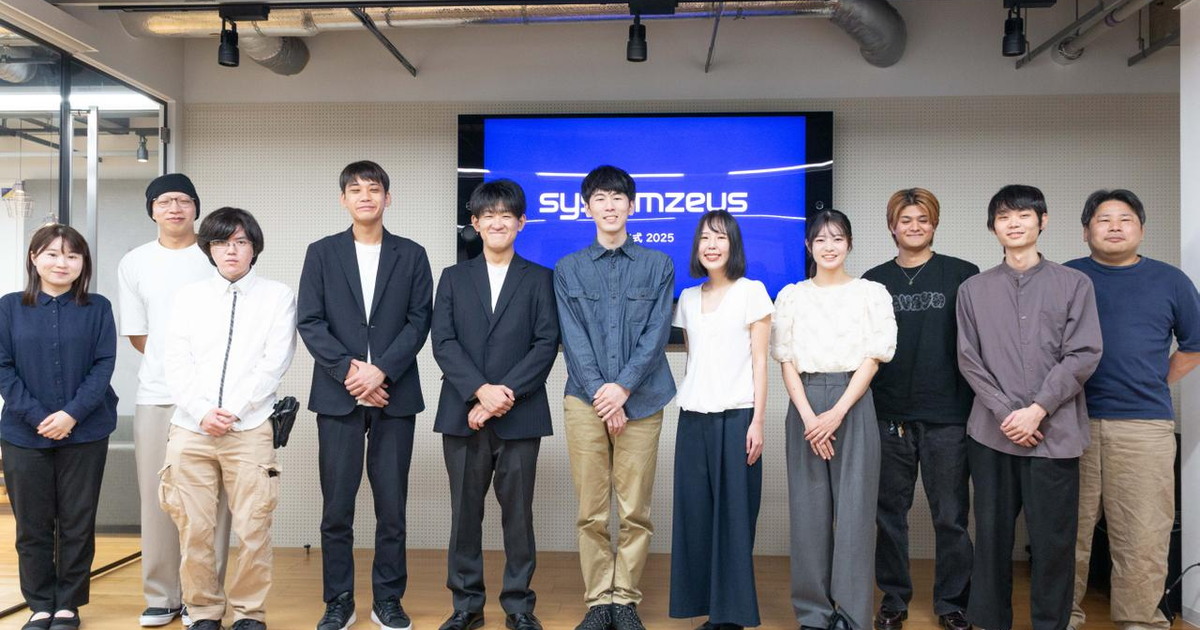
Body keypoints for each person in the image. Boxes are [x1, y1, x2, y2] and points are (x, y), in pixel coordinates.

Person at [956, 185, 1102, 630]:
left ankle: (1050, 624)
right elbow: (969, 359)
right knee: (991, 538)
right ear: (993, 228)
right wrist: (1007, 414)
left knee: (1054, 543)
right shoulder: (972, 290)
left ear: (1043, 221)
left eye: (1023, 214)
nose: (1014, 223)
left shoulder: (1074, 284)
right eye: (1004, 217)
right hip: (991, 435)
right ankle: (991, 622)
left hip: (1055, 436)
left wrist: (1037, 409)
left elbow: (1083, 353)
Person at [298, 160, 433, 630]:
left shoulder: (411, 254)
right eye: (355, 190)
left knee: (392, 508)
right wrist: (350, 372)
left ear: (387, 198)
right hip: (339, 397)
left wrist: (381, 372)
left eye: (373, 189)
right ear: (343, 200)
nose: (365, 196)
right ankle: (338, 600)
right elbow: (310, 320)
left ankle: (388, 600)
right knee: (337, 508)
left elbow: (419, 320)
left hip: (395, 396)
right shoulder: (321, 253)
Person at [1064, 190, 1200, 630]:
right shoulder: (1066, 277)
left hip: (1144, 425)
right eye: (1104, 219)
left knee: (1143, 532)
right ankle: (1062, 615)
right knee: (1067, 530)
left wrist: (1154, 379)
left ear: (1141, 229)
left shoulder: (1171, 280)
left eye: (1125, 219)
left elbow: (1195, 344)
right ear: (1086, 231)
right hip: (1069, 423)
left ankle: (1140, 619)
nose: (1115, 227)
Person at [431, 179, 559, 630]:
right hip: (462, 413)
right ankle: (466, 605)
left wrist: (502, 395)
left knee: (518, 517)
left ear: (521, 223)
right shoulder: (453, 277)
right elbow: (443, 342)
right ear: (475, 223)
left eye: (507, 215)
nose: (498, 222)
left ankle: (519, 606)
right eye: (489, 215)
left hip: (520, 416)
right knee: (464, 515)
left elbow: (545, 344)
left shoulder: (540, 278)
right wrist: (479, 391)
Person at [161, 207, 297, 630]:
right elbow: (175, 360)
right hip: (191, 428)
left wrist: (234, 409)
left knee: (254, 528)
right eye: (221, 242)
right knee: (194, 529)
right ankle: (202, 611)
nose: (231, 250)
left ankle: (248, 613)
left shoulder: (277, 296)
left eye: (241, 242)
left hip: (250, 428)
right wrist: (203, 411)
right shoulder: (189, 297)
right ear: (209, 249)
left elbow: (275, 361)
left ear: (254, 248)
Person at [554, 165, 675, 630]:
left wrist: (622, 389)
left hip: (643, 400)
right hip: (584, 402)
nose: (609, 205)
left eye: (617, 197)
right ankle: (597, 601)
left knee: (634, 509)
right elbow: (573, 338)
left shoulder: (658, 265)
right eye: (600, 198)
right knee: (592, 509)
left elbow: (656, 336)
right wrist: (603, 397)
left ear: (632, 205)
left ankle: (624, 600)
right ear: (587, 207)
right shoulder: (568, 269)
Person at [771, 209, 896, 630]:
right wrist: (811, 419)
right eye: (821, 239)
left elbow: (874, 357)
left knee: (856, 514)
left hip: (853, 402)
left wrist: (837, 412)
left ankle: (852, 615)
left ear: (850, 244)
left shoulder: (871, 293)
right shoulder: (791, 296)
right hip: (805, 403)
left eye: (838, 238)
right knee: (808, 513)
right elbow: (785, 359)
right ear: (808, 245)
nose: (829, 246)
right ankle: (814, 613)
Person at [117, 173, 232, 628]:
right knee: (157, 497)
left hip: (214, 399)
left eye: (184, 200)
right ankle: (162, 595)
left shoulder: (216, 254)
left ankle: (204, 597)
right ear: (152, 210)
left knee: (213, 501)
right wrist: (178, 368)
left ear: (196, 207)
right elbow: (139, 334)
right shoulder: (135, 262)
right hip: (158, 394)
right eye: (164, 201)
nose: (175, 208)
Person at [862, 189, 977, 630]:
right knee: (890, 515)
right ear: (892, 226)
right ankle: (894, 599)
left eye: (923, 219)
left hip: (949, 414)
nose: (914, 226)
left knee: (951, 516)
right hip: (888, 414)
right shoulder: (872, 281)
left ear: (935, 224)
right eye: (906, 219)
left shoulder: (962, 274)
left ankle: (952, 603)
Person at [0, 224, 118, 630]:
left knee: (76, 522)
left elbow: (103, 365)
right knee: (32, 525)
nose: (62, 262)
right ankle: (39, 604)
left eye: (72, 255)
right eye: (52, 253)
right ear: (34, 258)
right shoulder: (8, 307)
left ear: (83, 263)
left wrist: (72, 414)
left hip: (86, 431)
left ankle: (68, 604)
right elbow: (2, 368)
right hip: (23, 433)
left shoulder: (98, 307)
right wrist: (38, 416)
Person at [669, 210, 773, 630]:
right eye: (704, 238)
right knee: (695, 517)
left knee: (734, 519)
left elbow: (761, 362)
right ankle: (706, 608)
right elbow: (693, 359)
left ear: (733, 245)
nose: (711, 245)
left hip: (737, 417)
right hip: (693, 418)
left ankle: (730, 617)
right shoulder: (688, 299)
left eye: (720, 238)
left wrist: (758, 422)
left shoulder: (752, 292)